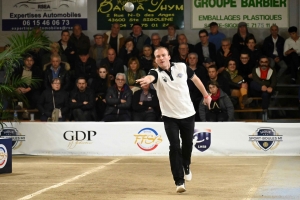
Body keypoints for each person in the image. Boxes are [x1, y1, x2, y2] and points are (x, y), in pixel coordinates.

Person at [136, 47, 212, 193]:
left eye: (163, 55)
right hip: (169, 117)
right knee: (175, 146)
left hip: (188, 113)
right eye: (158, 56)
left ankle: (187, 165)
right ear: (155, 59)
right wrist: (147, 79)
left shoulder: (182, 67)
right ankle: (179, 181)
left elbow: (195, 79)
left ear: (169, 56)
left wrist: (206, 95)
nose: (161, 58)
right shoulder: (155, 73)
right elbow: (151, 77)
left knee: (188, 144)